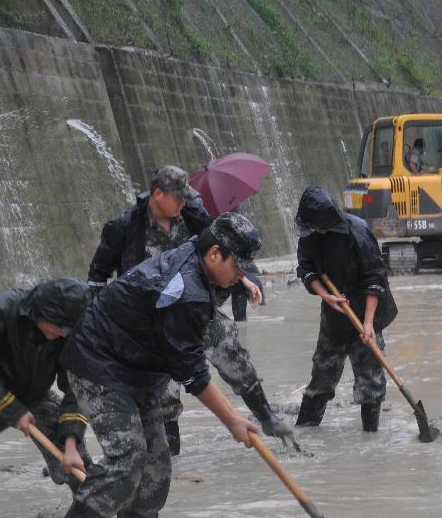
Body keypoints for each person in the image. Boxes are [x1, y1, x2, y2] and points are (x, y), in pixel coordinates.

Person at [41, 214, 261, 518]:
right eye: (239, 267)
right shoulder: (184, 291)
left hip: (138, 372)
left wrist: (239, 280)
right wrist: (234, 421)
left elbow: (188, 356)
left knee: (156, 472)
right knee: (126, 460)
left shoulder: (200, 253)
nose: (242, 276)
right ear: (216, 254)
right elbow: (192, 374)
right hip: (99, 364)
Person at [87, 165, 290, 454]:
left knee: (232, 351)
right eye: (177, 198)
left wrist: (242, 278)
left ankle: (266, 416)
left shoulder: (192, 216)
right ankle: (172, 452)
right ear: (157, 194)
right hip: (153, 319)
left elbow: (221, 248)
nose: (183, 203)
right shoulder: (123, 227)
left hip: (195, 307)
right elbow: (96, 277)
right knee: (165, 391)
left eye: (186, 198)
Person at [0, 278, 92, 518]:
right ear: (41, 313)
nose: (62, 334)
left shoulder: (69, 331)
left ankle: (87, 516)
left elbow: (76, 385)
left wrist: (70, 443)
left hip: (31, 393)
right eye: (59, 327)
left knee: (77, 458)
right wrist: (10, 410)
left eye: (68, 330)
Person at [293, 186, 397, 432]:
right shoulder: (308, 237)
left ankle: (370, 438)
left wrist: (369, 323)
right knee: (321, 379)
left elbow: (375, 278)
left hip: (367, 312)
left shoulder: (357, 232)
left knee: (370, 382)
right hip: (335, 316)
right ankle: (305, 432)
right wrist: (325, 296)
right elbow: (306, 270)